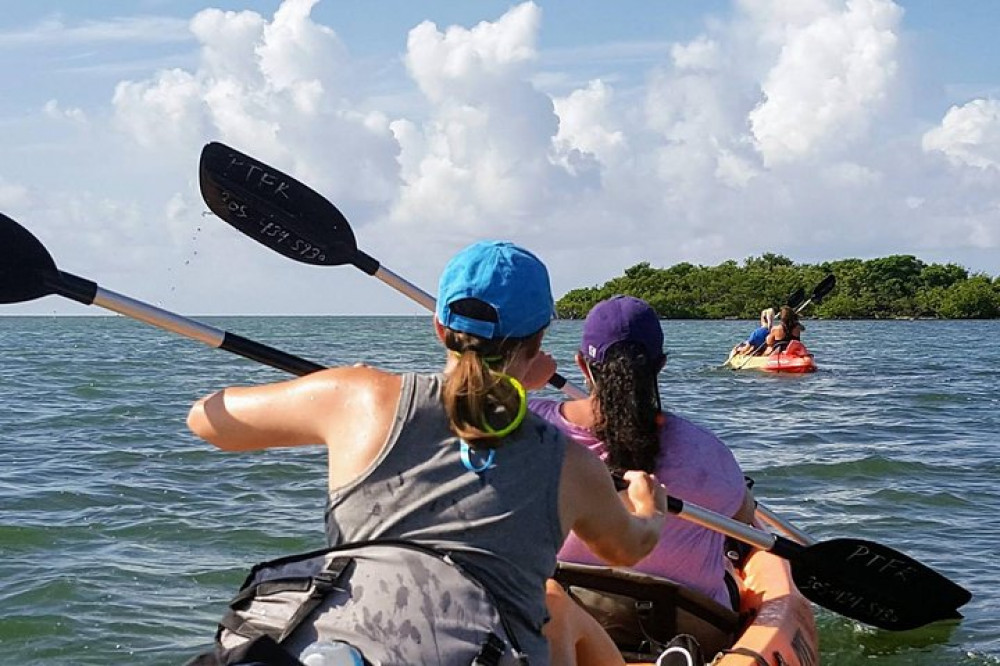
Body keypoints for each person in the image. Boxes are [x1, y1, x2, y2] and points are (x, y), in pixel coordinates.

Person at [186, 241, 667, 665]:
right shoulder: (571, 465)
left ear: (440, 327)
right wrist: (649, 506)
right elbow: (626, 548)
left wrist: (329, 388)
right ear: (541, 338)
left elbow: (207, 421)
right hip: (483, 650)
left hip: (341, 645)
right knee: (554, 609)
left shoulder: (358, 397)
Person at [528, 295, 755, 610]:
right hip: (692, 627)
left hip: (562, 619)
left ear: (582, 364)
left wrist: (521, 378)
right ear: (660, 364)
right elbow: (745, 527)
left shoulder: (525, 426)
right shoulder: (709, 451)